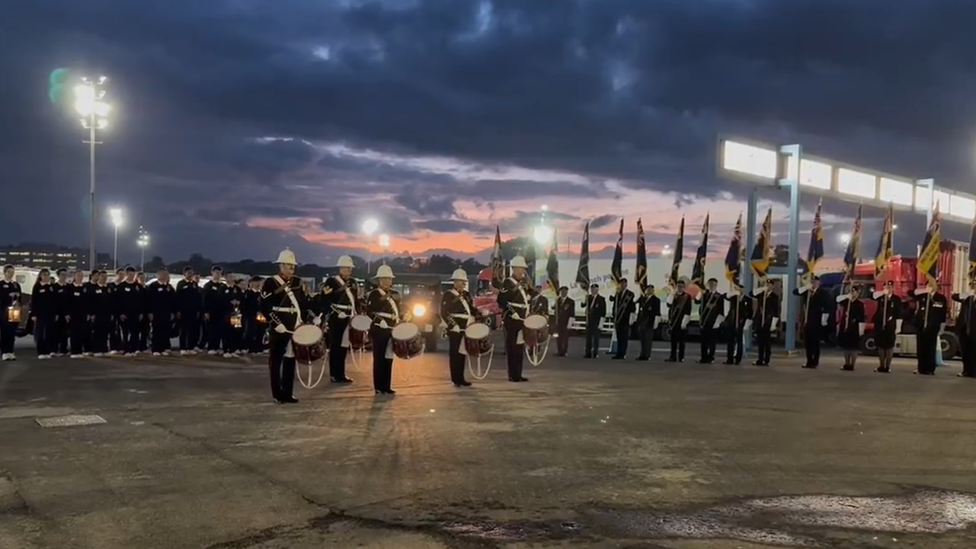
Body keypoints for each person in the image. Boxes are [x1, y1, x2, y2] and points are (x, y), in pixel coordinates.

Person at [260, 248, 312, 404]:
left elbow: (303, 303)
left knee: (290, 359)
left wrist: (312, 316)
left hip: (294, 325)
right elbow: (265, 306)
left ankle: (288, 393)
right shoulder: (270, 282)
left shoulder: (297, 282)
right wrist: (275, 323)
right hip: (280, 325)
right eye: (289, 265)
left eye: (293, 266)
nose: (292, 268)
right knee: (275, 361)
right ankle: (277, 394)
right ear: (281, 265)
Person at [440, 269, 481, 387]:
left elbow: (471, 309)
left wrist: (479, 314)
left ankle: (461, 378)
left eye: (463, 282)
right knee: (454, 354)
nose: (462, 284)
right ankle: (455, 378)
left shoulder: (467, 295)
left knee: (463, 353)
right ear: (454, 282)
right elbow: (444, 312)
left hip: (465, 326)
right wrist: (453, 325)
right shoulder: (448, 295)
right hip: (455, 328)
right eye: (459, 281)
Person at [496, 255, 534, 381]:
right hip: (512, 318)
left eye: (523, 269)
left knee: (519, 347)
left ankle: (518, 373)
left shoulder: (522, 283)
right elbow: (502, 301)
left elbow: (529, 297)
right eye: (520, 269)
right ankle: (512, 374)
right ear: (514, 269)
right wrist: (512, 312)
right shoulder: (508, 282)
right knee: (512, 347)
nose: (522, 271)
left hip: (522, 317)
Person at [322, 255, 358, 383]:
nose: (348, 270)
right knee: (335, 346)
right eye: (345, 268)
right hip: (336, 316)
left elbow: (355, 300)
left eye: (349, 268)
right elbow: (325, 299)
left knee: (344, 346)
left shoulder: (353, 282)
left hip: (348, 315)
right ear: (340, 268)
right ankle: (334, 374)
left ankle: (341, 373)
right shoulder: (331, 281)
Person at [367, 264, 401, 394]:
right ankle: (378, 386)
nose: (387, 281)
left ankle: (387, 386)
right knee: (379, 358)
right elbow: (369, 311)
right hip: (379, 329)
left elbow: (398, 310)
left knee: (389, 357)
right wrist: (379, 321)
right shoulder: (374, 294)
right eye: (384, 279)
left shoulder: (395, 294)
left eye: (389, 279)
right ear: (379, 280)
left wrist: (405, 314)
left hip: (391, 328)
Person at [793, 275, 830, 369]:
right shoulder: (807, 292)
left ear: (819, 282)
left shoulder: (822, 293)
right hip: (807, 320)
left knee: (815, 342)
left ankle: (815, 361)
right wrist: (806, 287)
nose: (813, 283)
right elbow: (795, 292)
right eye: (812, 282)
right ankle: (809, 361)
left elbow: (827, 306)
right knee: (807, 342)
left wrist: (824, 318)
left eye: (815, 282)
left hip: (817, 320)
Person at [912, 284, 947, 376]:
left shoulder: (940, 298)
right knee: (921, 348)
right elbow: (911, 293)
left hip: (933, 327)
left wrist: (942, 327)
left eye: (932, 285)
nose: (931, 287)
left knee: (930, 348)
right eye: (929, 285)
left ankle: (930, 369)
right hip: (921, 326)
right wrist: (924, 291)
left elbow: (943, 314)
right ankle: (921, 368)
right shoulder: (923, 295)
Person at [872, 280, 902, 373]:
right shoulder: (880, 297)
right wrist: (883, 293)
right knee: (880, 345)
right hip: (880, 324)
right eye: (886, 287)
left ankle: (887, 366)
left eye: (890, 287)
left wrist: (898, 326)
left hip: (891, 325)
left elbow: (899, 314)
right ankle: (881, 365)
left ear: (893, 288)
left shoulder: (896, 299)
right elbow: (873, 296)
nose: (888, 289)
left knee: (889, 346)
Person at [147, 267, 177, 356]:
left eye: (166, 274)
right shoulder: (152, 286)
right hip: (156, 313)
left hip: (167, 313)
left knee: (165, 331)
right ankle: (156, 349)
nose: (164, 276)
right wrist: (150, 312)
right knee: (156, 331)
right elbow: (148, 300)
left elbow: (173, 301)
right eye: (162, 274)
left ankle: (164, 348)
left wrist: (173, 312)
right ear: (158, 275)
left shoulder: (169, 287)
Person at [836, 284, 866, 371]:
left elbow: (861, 317)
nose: (853, 293)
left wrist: (861, 328)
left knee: (853, 347)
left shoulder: (859, 304)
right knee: (846, 347)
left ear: (858, 293)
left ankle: (852, 364)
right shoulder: (846, 301)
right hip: (845, 325)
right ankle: (846, 363)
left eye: (854, 291)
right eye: (851, 291)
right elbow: (837, 299)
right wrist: (847, 296)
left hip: (854, 326)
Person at [115, 267, 143, 356]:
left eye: (133, 274)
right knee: (125, 333)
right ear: (126, 274)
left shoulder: (138, 286)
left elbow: (142, 301)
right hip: (124, 314)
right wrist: (120, 313)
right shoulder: (121, 286)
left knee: (135, 332)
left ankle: (133, 349)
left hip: (136, 314)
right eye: (130, 274)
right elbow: (117, 301)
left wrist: (141, 312)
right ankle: (126, 350)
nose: (132, 276)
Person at [752, 278, 780, 367]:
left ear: (773, 286)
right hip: (760, 320)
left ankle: (766, 359)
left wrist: (774, 323)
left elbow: (776, 311)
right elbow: (751, 293)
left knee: (766, 342)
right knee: (760, 342)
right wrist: (761, 289)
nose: (767, 286)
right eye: (766, 285)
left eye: (769, 285)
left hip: (768, 320)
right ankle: (760, 359)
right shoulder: (761, 294)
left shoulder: (775, 297)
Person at [696, 278, 724, 364]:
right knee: (703, 341)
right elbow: (697, 302)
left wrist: (717, 322)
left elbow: (721, 311)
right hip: (704, 321)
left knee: (712, 342)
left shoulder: (719, 297)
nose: (712, 286)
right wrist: (699, 293)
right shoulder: (704, 295)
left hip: (713, 322)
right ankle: (703, 357)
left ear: (716, 285)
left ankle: (711, 357)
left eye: (713, 284)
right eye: (710, 284)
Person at [203, 266, 229, 356]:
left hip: (221, 312)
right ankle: (211, 347)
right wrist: (206, 311)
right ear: (212, 273)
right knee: (212, 330)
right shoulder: (208, 286)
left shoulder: (223, 286)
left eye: (219, 273)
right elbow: (205, 299)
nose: (218, 275)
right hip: (212, 312)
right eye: (216, 273)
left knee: (220, 330)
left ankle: (217, 347)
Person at [30, 269, 56, 359]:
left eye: (47, 275)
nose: (46, 276)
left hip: (50, 313)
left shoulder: (51, 287)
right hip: (40, 313)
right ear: (40, 276)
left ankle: (48, 351)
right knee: (40, 332)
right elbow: (34, 301)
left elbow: (54, 301)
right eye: (44, 275)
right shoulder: (37, 286)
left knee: (49, 332)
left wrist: (55, 313)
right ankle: (40, 351)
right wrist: (34, 314)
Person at [176, 267, 202, 356]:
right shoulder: (181, 284)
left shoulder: (195, 284)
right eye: (188, 273)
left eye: (192, 273)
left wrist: (198, 310)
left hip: (193, 311)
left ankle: (190, 347)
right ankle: (183, 348)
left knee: (192, 330)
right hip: (183, 311)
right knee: (183, 330)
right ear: (184, 274)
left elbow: (198, 298)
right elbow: (178, 297)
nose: (190, 274)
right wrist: (178, 310)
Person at [952, 281, 976, 378]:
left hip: (974, 330)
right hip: (964, 328)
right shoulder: (967, 298)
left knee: (974, 352)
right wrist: (966, 294)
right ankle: (966, 370)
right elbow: (954, 297)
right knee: (965, 351)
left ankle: (974, 372)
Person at [665, 280, 692, 363]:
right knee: (673, 341)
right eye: (678, 286)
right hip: (673, 321)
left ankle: (681, 357)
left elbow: (688, 310)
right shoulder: (674, 296)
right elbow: (668, 304)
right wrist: (672, 294)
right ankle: (672, 356)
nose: (679, 288)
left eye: (681, 286)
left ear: (683, 287)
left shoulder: (687, 297)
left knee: (681, 341)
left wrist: (684, 322)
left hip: (681, 321)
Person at [65, 270, 90, 358]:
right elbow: (67, 301)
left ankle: (80, 350)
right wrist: (67, 313)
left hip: (83, 314)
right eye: (78, 275)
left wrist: (88, 313)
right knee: (74, 333)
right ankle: (74, 351)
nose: (80, 277)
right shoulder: (70, 288)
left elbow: (87, 302)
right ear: (74, 277)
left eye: (81, 276)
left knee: (82, 332)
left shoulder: (84, 288)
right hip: (73, 314)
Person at [723, 286, 751, 365]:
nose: (740, 291)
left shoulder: (747, 300)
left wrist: (747, 324)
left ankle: (738, 359)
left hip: (741, 323)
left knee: (739, 341)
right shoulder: (733, 298)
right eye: (738, 289)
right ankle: (730, 359)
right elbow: (725, 296)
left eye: (741, 289)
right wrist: (733, 293)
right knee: (730, 341)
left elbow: (749, 313)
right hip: (731, 322)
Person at [0, 265, 22, 361]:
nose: (11, 274)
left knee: (12, 331)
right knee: (4, 331)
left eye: (12, 272)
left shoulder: (16, 285)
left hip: (14, 311)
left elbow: (20, 298)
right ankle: (5, 352)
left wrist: (17, 302)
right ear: (5, 273)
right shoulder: (1, 284)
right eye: (9, 272)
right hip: (3, 311)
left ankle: (11, 351)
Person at [610, 278, 635, 359]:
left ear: (626, 284)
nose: (622, 285)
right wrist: (614, 315)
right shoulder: (618, 294)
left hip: (625, 319)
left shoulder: (630, 294)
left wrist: (631, 317)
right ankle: (618, 353)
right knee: (619, 337)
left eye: (624, 283)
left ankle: (623, 353)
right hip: (618, 319)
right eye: (621, 284)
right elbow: (615, 306)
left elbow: (632, 307)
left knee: (624, 337)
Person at [89, 271, 113, 356]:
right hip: (97, 314)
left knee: (105, 332)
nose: (104, 278)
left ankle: (104, 349)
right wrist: (91, 314)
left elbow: (112, 302)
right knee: (97, 332)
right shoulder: (93, 288)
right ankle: (97, 349)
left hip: (107, 314)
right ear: (98, 277)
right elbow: (90, 302)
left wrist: (111, 314)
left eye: (105, 277)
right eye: (102, 276)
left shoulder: (109, 288)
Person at [635, 284, 660, 361]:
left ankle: (647, 355)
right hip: (642, 322)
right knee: (642, 340)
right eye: (647, 289)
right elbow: (637, 305)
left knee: (648, 339)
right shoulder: (643, 298)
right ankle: (642, 354)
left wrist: (656, 322)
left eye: (650, 289)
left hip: (649, 322)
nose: (649, 291)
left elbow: (657, 312)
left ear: (653, 290)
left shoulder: (656, 300)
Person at [583, 283, 606, 358]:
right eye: (592, 289)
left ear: (597, 290)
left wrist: (601, 323)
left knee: (596, 338)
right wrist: (584, 300)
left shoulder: (601, 299)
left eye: (595, 289)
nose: (593, 291)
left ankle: (595, 353)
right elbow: (583, 305)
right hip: (589, 321)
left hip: (597, 321)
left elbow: (603, 312)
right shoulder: (588, 298)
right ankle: (588, 353)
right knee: (588, 338)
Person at [243, 275, 265, 354]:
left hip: (261, 317)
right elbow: (246, 306)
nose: (258, 284)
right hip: (250, 316)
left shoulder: (262, 294)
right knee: (251, 331)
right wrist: (254, 312)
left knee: (260, 332)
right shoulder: (248, 293)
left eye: (259, 282)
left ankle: (259, 348)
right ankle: (249, 347)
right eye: (256, 282)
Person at [553, 286, 574, 357]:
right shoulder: (557, 300)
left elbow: (572, 313)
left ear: (567, 292)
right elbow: (555, 311)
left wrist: (570, 324)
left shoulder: (570, 301)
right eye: (562, 292)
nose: (563, 293)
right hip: (558, 322)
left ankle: (564, 351)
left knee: (565, 338)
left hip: (566, 322)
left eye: (565, 291)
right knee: (558, 337)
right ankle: (559, 350)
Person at [53, 268, 70, 356]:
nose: (64, 276)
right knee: (56, 331)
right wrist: (55, 313)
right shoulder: (54, 287)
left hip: (66, 313)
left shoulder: (68, 287)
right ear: (58, 276)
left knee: (65, 332)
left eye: (65, 275)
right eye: (62, 274)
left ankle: (64, 348)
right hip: (57, 313)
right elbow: (54, 301)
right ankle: (55, 349)